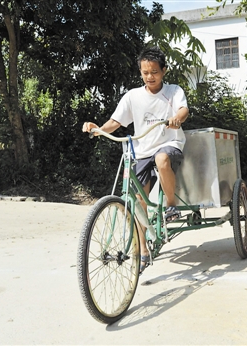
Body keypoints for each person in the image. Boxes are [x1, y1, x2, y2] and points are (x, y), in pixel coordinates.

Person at [82, 46, 189, 274]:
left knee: (162, 159)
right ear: (140, 72)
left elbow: (183, 110)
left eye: (154, 72)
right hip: (141, 151)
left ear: (164, 71)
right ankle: (142, 249)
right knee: (137, 202)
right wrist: (98, 129)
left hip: (169, 145)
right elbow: (116, 122)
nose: (150, 77)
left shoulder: (173, 91)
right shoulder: (132, 96)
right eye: (145, 72)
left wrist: (176, 119)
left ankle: (170, 205)